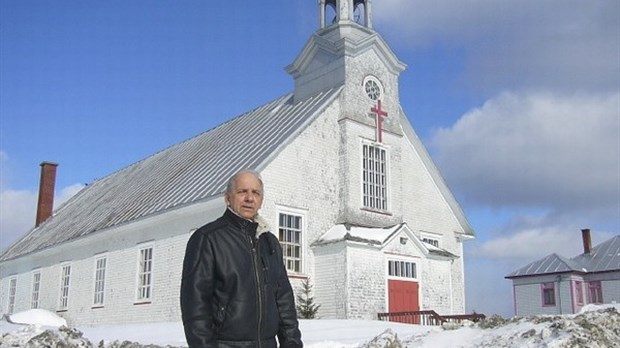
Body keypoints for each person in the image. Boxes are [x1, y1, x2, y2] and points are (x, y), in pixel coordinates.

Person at [180, 170, 303, 348]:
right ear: (227, 197)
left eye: (255, 193)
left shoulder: (270, 243)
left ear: (261, 201)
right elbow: (195, 307)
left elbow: (284, 302)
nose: (249, 198)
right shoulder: (208, 239)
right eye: (242, 191)